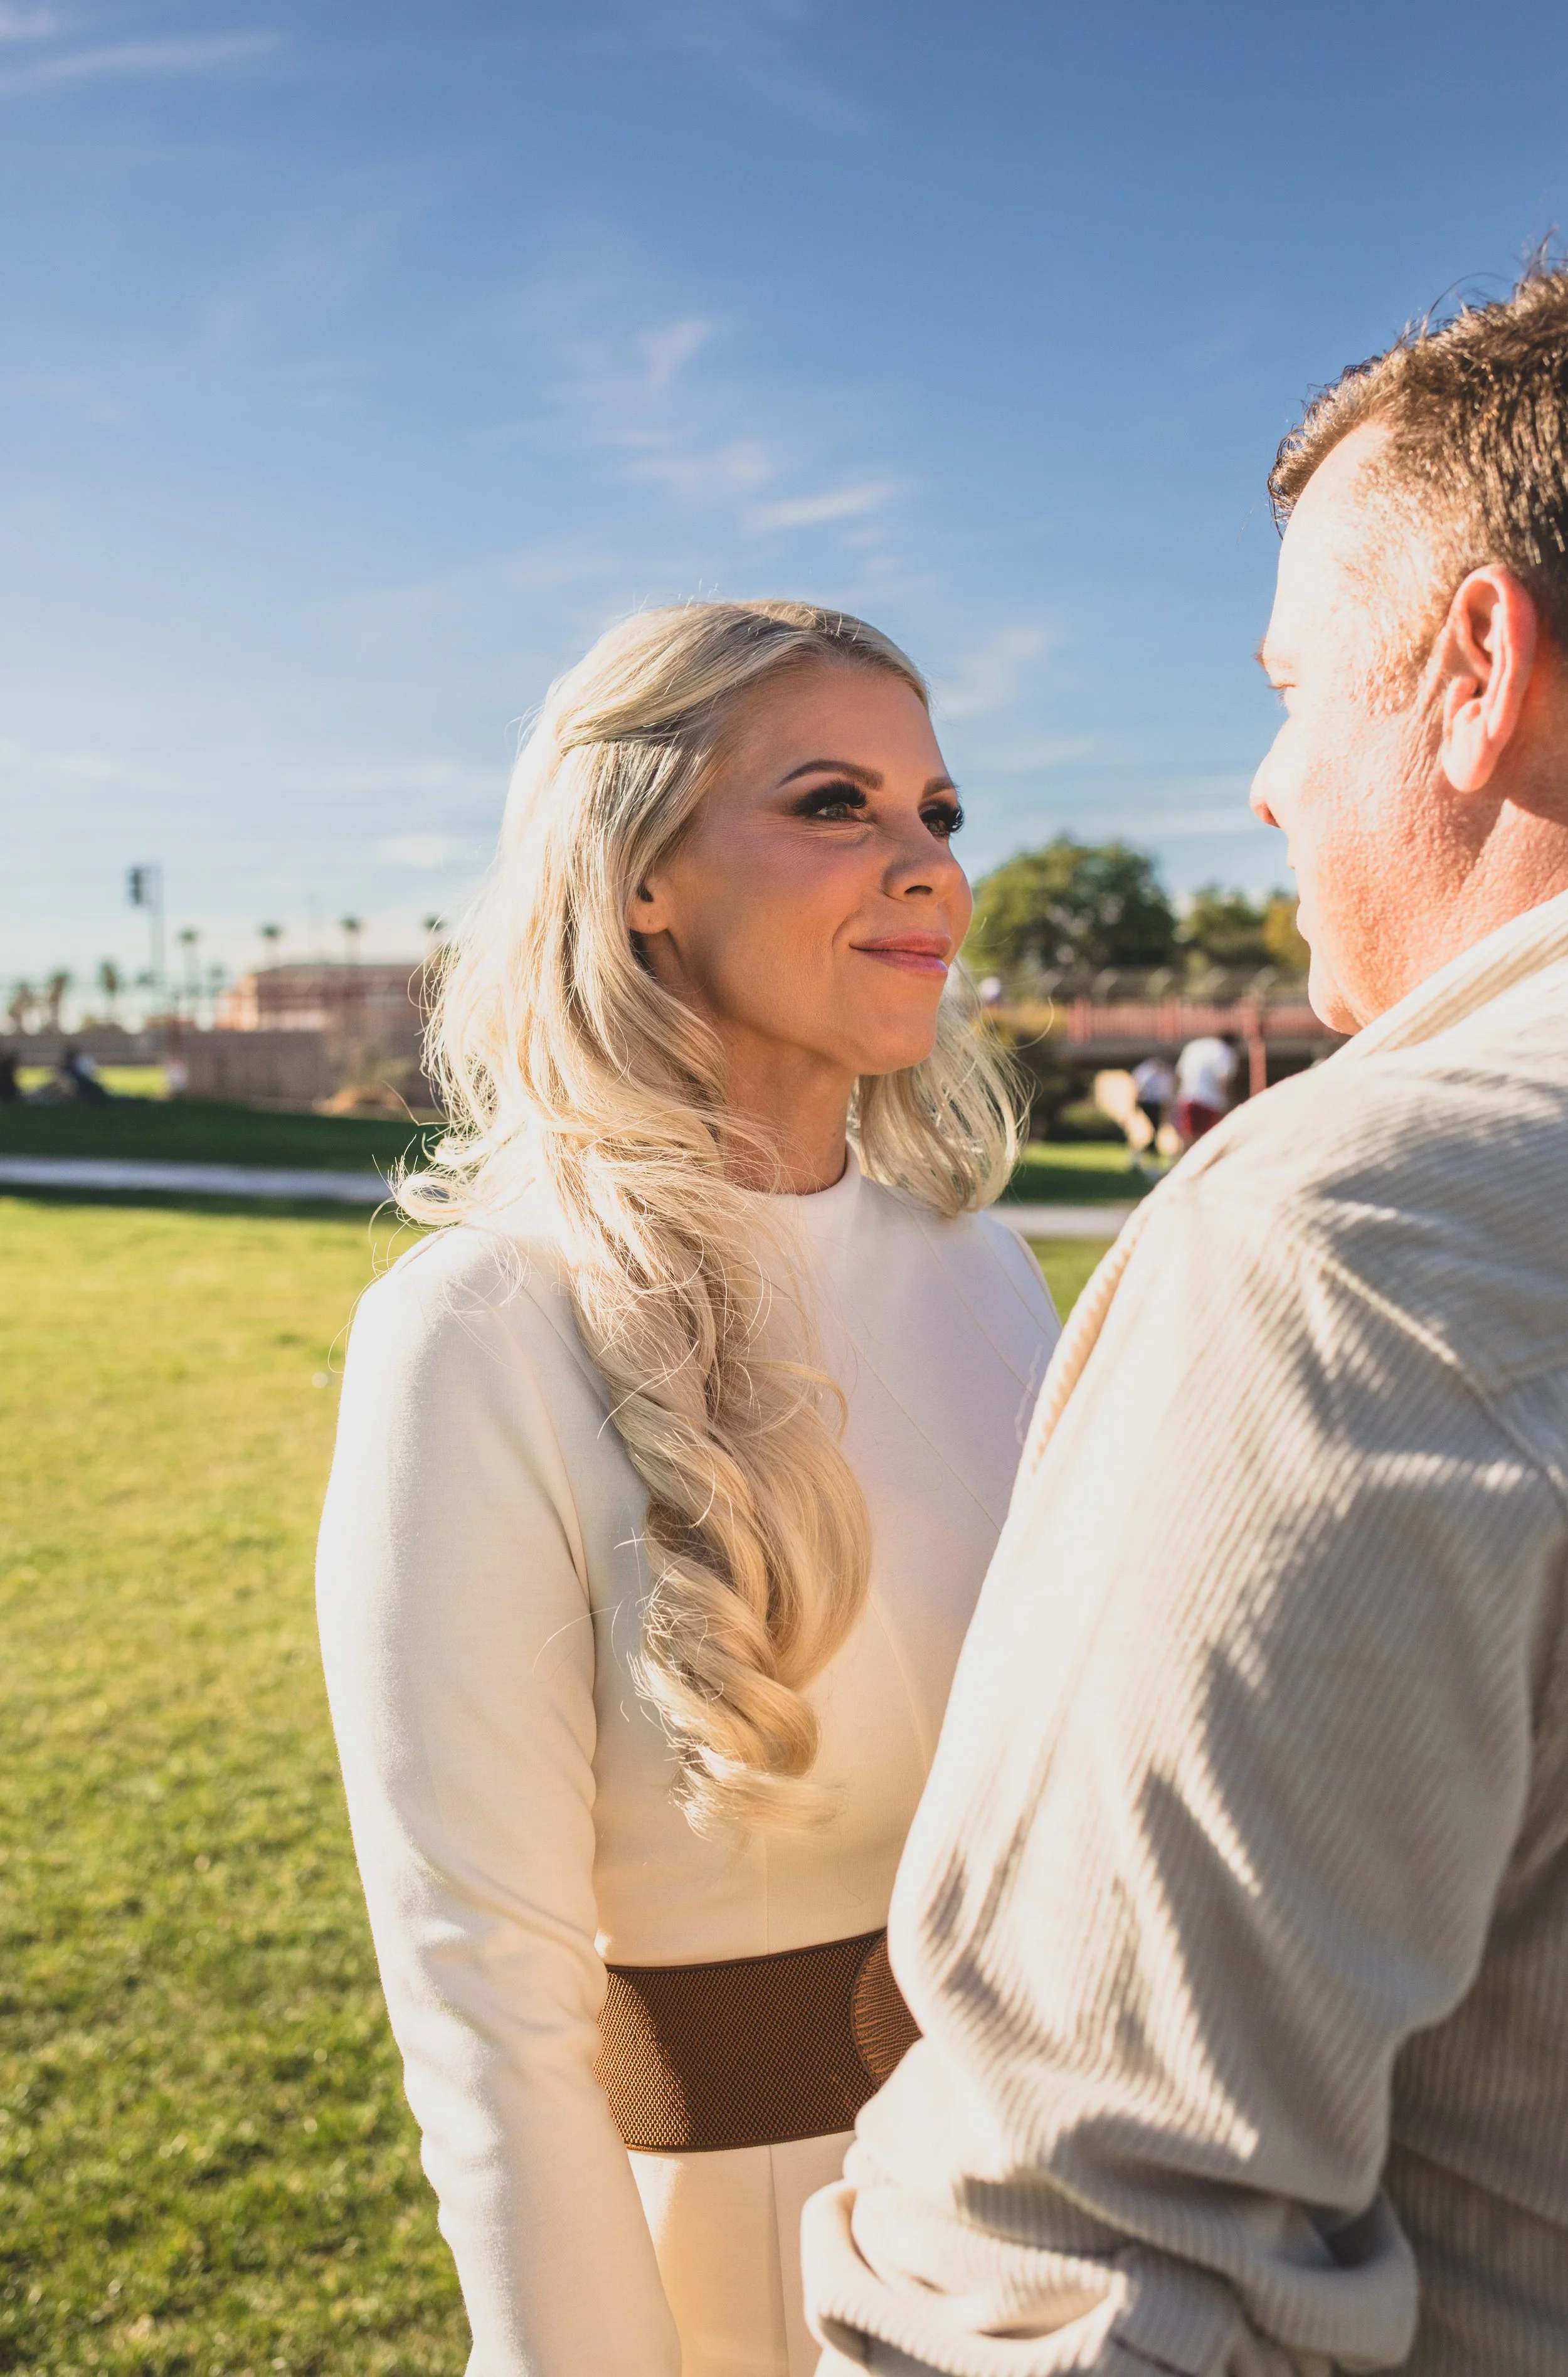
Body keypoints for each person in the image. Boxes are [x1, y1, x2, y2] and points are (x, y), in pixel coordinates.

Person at [804, 265, 1568, 2373]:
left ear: (1475, 670)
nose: (1258, 783)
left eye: (1288, 684)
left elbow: (1074, 2265)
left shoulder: (1359, 1242)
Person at [315, 601, 1059, 2377]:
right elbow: (482, 1994)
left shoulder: (991, 1275)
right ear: (639, 869)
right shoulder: (476, 1327)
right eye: (833, 804)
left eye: (938, 815)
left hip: (1049, 2215)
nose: (926, 869)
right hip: (733, 2267)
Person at [1171, 1030, 1234, 1145]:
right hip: (1210, 1101)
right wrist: (1226, 1103)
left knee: (1189, 1137)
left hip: (1187, 1097)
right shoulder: (1225, 1051)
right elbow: (1222, 1079)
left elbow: (1179, 1075)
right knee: (1209, 1139)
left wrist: (1174, 1098)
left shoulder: (1194, 1046)